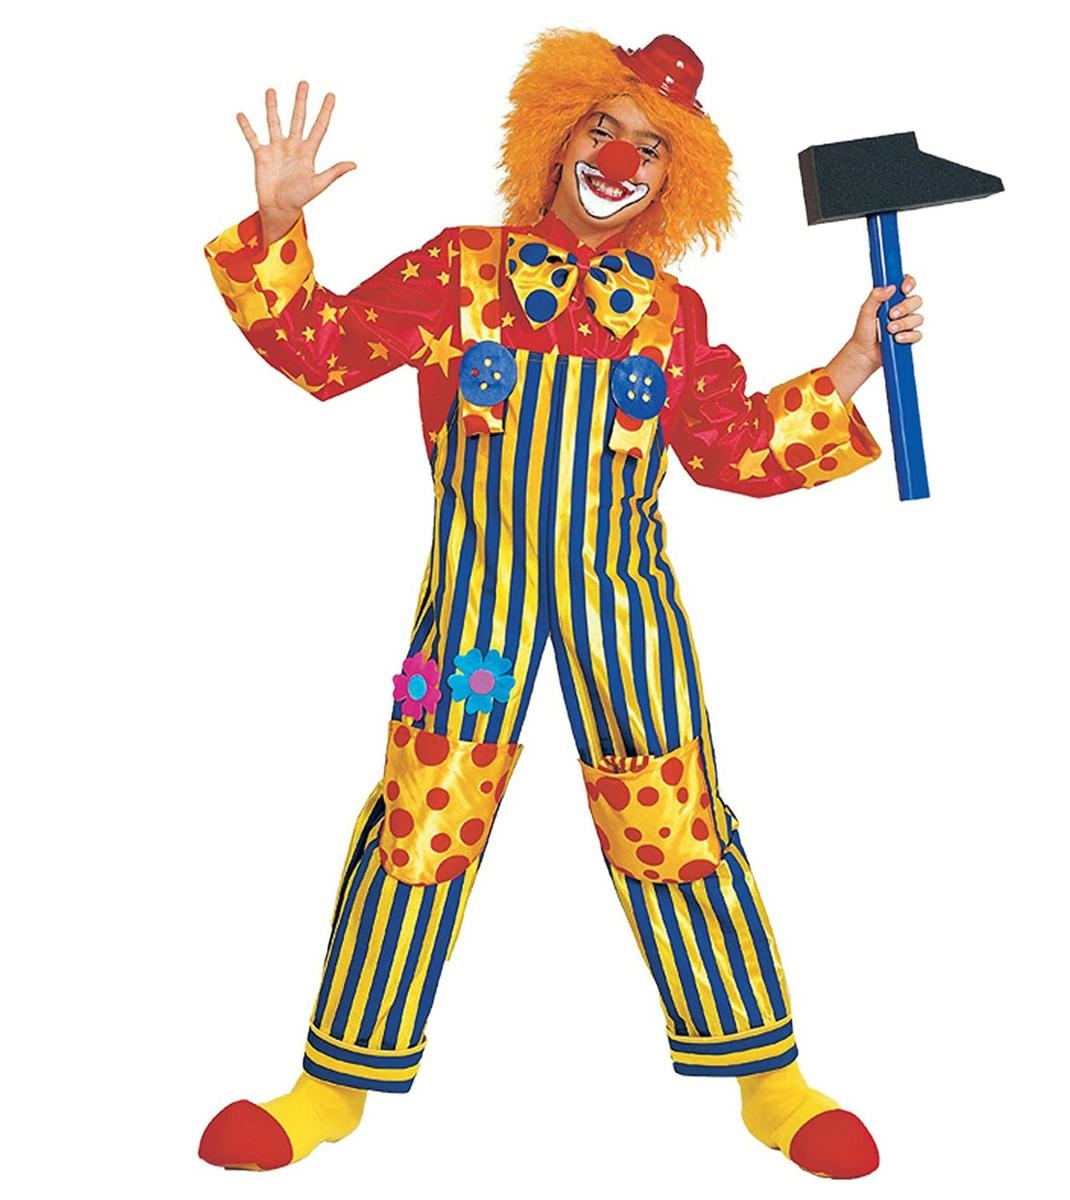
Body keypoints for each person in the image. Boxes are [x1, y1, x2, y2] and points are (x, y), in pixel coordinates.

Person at [198, 28, 924, 1179]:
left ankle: (769, 1080)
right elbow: (321, 349)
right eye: (605, 129)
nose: (620, 161)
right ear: (558, 135)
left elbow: (729, 449)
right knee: (422, 816)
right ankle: (332, 1086)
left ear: (673, 178)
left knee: (675, 826)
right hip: (472, 611)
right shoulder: (461, 273)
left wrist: (853, 362)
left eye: (649, 147)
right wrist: (279, 226)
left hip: (625, 619)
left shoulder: (670, 316)